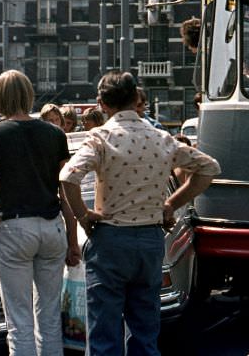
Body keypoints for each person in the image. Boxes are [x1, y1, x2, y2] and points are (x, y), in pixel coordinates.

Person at [60, 71, 220, 356]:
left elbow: (68, 177)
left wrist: (84, 216)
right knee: (145, 332)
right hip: (149, 240)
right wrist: (171, 203)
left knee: (104, 333)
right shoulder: (160, 137)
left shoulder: (100, 138)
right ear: (136, 98)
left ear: (101, 103)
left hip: (109, 239)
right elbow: (209, 168)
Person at [0, 70, 81, 355]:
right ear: (29, 95)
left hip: (16, 227)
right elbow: (66, 191)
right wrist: (73, 242)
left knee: (19, 321)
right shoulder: (55, 134)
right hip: (52, 228)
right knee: (48, 319)